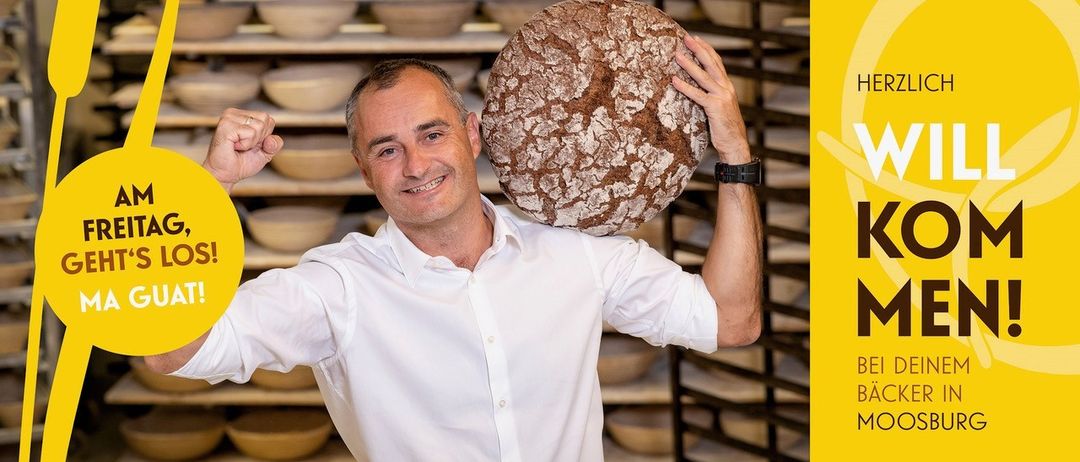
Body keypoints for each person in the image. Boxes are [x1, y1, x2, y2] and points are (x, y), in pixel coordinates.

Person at [146, 35, 762, 461]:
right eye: (387, 149)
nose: (416, 165)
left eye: (432, 134)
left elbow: (731, 320)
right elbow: (172, 349)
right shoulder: (337, 287)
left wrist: (733, 153)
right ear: (364, 170)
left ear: (471, 135)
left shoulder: (574, 254)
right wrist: (211, 187)